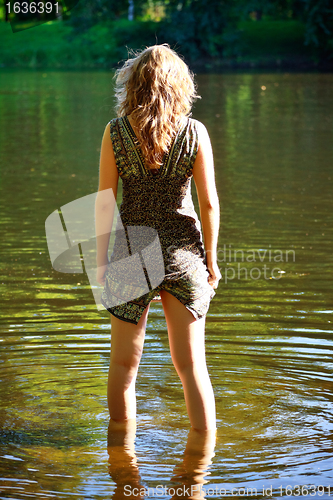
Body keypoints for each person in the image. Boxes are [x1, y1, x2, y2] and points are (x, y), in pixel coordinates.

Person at [95, 44, 221, 432]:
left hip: (131, 256)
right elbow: (209, 204)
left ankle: (123, 465)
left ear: (132, 85)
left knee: (122, 367)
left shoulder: (115, 133)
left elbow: (104, 203)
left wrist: (101, 265)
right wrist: (212, 262)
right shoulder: (194, 132)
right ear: (179, 86)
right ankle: (200, 467)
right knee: (191, 366)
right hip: (184, 257)